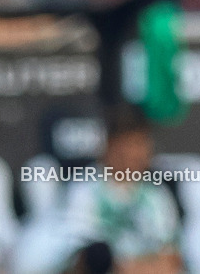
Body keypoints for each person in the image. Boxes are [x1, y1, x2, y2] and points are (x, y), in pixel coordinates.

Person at [61, 106, 181, 274]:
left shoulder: (157, 195)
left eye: (141, 144)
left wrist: (134, 269)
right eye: (129, 144)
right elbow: (82, 260)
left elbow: (170, 259)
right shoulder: (85, 190)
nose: (135, 154)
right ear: (110, 146)